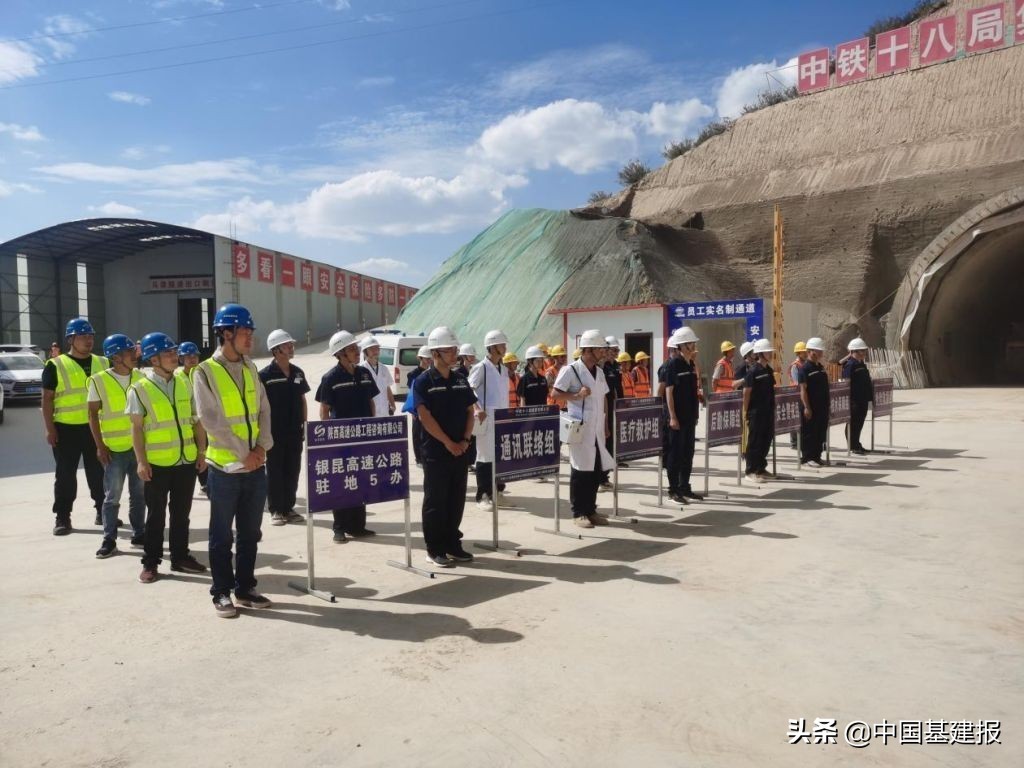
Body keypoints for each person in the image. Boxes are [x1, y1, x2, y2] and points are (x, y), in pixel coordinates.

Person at [193, 303, 274, 618]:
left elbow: (263, 409)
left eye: (250, 332)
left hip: (255, 466)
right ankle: (221, 592)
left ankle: (245, 587)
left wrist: (262, 447)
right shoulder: (204, 372)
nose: (250, 338)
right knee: (222, 535)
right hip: (225, 469)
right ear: (225, 334)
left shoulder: (251, 368)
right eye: (244, 332)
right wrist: (246, 454)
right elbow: (211, 420)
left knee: (251, 532)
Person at [129, 332, 208, 583]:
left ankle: (180, 556)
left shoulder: (185, 382)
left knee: (181, 513)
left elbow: (197, 421)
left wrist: (202, 451)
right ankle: (151, 562)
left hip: (186, 460)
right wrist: (141, 461)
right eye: (168, 353)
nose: (175, 356)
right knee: (156, 516)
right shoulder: (140, 388)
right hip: (157, 463)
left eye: (174, 352)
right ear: (154, 360)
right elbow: (137, 428)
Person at [414, 326, 477, 567]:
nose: (455, 354)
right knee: (436, 501)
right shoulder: (423, 382)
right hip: (436, 452)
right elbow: (424, 417)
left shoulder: (461, 380)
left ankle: (453, 543)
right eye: (450, 350)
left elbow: (470, 411)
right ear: (436, 353)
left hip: (460, 450)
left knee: (456, 499)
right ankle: (434, 548)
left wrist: (465, 440)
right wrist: (448, 443)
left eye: (455, 349)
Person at [42, 318, 110, 535]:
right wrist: (50, 428)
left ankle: (103, 511)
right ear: (71, 339)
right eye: (83, 336)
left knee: (99, 472)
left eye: (90, 336)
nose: (88, 340)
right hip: (66, 429)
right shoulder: (55, 364)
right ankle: (63, 516)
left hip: (96, 429)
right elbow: (47, 399)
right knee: (65, 475)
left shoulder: (103, 362)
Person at [315, 330, 379, 542]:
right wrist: (327, 438)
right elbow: (324, 410)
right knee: (341, 482)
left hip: (362, 437)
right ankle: (339, 527)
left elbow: (371, 401)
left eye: (356, 348)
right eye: (352, 349)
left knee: (359, 480)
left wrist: (372, 427)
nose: (357, 352)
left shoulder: (364, 374)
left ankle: (358, 526)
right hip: (340, 438)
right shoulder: (330, 378)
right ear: (340, 354)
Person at [87, 334, 145, 558]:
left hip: (138, 448)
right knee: (112, 497)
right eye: (130, 352)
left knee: (139, 495)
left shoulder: (140, 376)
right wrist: (100, 446)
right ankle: (109, 539)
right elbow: (92, 415)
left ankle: (139, 533)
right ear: (116, 356)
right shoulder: (98, 380)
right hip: (113, 450)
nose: (134, 355)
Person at [552, 329, 613, 528]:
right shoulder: (571, 370)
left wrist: (605, 425)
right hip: (580, 428)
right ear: (588, 350)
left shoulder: (600, 372)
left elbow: (603, 398)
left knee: (595, 470)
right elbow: (555, 393)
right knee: (580, 471)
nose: (603, 352)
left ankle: (591, 510)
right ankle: (579, 512)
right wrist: (577, 396)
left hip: (596, 428)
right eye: (599, 349)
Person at [259, 329, 309, 526]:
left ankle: (288, 507)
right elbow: (259, 407)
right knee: (274, 470)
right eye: (287, 345)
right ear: (276, 350)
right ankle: (276, 509)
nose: (291, 348)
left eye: (291, 345)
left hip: (294, 431)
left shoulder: (298, 372)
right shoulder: (264, 375)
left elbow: (302, 399)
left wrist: (304, 425)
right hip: (273, 431)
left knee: (293, 469)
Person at [469, 330, 509, 509]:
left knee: (500, 457)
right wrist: (477, 408)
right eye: (502, 345)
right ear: (492, 347)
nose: (505, 348)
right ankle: (483, 495)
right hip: (486, 418)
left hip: (502, 418)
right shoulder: (481, 367)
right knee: (484, 457)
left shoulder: (504, 369)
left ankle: (498, 492)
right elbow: (469, 390)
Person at [665, 326, 704, 503]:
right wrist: (672, 416)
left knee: (688, 453)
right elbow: (669, 392)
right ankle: (673, 490)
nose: (694, 345)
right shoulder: (673, 364)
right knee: (675, 454)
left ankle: (684, 487)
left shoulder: (691, 364)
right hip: (677, 419)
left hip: (690, 417)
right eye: (691, 343)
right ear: (683, 346)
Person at [743, 339, 776, 480]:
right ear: (761, 354)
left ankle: (761, 468)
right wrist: (745, 411)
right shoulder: (753, 371)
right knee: (755, 441)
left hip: (767, 411)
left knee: (766, 440)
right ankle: (751, 470)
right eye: (768, 352)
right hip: (756, 412)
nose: (770, 354)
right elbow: (746, 392)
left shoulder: (768, 369)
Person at [798, 336, 830, 467]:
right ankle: (807, 458)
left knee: (820, 432)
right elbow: (803, 390)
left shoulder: (820, 368)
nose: (821, 353)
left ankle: (817, 456)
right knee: (809, 432)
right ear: (810, 351)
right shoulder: (804, 369)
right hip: (810, 406)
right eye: (818, 350)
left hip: (822, 406)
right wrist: (806, 407)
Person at [841, 337, 873, 455]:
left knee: (859, 422)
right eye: (862, 350)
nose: (864, 353)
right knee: (853, 423)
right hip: (854, 399)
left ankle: (857, 444)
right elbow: (846, 382)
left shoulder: (861, 364)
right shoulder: (850, 365)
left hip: (863, 398)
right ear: (855, 351)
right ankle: (852, 446)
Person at [602, 336, 624, 481]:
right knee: (605, 440)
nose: (616, 353)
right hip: (605, 408)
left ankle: (605, 475)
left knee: (611, 442)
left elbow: (618, 387)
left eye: (617, 350)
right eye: (614, 350)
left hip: (615, 407)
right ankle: (601, 477)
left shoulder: (616, 366)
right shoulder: (602, 367)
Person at [360, 335, 396, 418]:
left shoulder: (384, 368)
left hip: (384, 411)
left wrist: (393, 404)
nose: (375, 351)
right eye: (371, 349)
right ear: (365, 352)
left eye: (377, 348)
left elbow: (387, 388)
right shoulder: (360, 369)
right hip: (369, 413)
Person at [406, 346, 431, 466]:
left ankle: (426, 455)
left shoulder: (431, 373)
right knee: (417, 433)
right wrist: (413, 410)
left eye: (429, 358)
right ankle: (419, 459)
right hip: (417, 408)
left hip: (429, 407)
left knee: (428, 432)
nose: (428, 360)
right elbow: (411, 393)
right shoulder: (413, 374)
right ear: (420, 358)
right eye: (426, 358)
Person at [789, 341, 808, 448]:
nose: (806, 354)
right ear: (799, 353)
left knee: (801, 419)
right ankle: (794, 442)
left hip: (801, 394)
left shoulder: (804, 365)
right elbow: (797, 382)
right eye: (804, 352)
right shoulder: (795, 366)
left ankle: (800, 441)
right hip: (795, 395)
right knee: (795, 419)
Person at [545, 345, 567, 410]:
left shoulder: (566, 370)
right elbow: (548, 389)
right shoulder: (550, 372)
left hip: (562, 406)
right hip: (552, 406)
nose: (564, 358)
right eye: (562, 356)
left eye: (565, 356)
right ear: (555, 358)